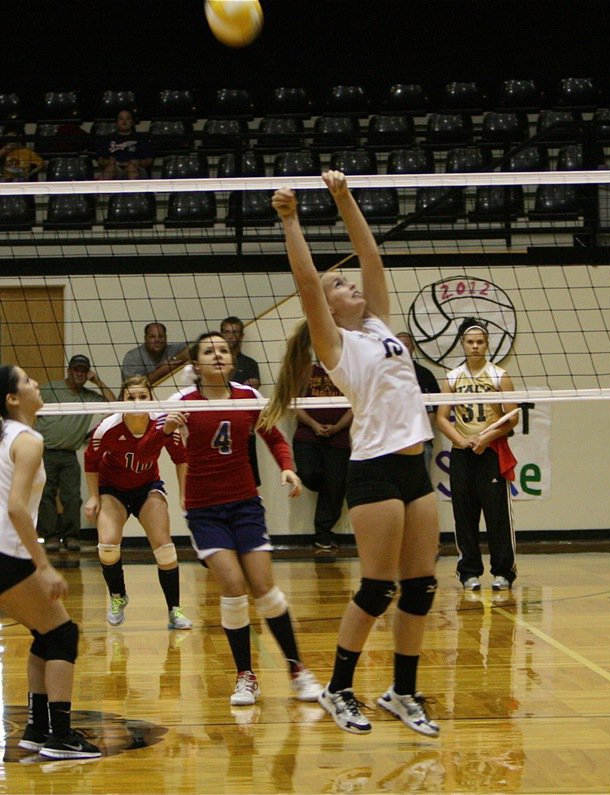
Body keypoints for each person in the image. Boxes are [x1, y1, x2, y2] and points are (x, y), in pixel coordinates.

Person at [263, 171, 442, 738]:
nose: (350, 287)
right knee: (377, 587)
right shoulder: (336, 343)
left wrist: (344, 199)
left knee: (420, 588)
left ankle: (402, 692)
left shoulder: (381, 325)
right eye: (341, 286)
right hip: (374, 470)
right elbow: (307, 282)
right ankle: (340, 688)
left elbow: (372, 256)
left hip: (414, 466)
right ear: (329, 307)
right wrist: (291, 220)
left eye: (349, 283)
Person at [166, 331, 321, 708]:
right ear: (196, 365)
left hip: (245, 503)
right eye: (209, 351)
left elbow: (274, 437)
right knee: (234, 586)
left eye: (223, 349)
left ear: (232, 359)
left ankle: (298, 670)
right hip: (204, 509)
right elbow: (157, 440)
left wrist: (287, 468)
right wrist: (166, 428)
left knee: (265, 589)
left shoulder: (248, 397)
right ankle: (245, 676)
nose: (218, 355)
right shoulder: (181, 402)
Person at [0, 364, 100, 759]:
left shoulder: (1, 435)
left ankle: (38, 730)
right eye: (27, 380)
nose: (37, 383)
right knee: (64, 635)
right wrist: (44, 564)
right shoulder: (28, 440)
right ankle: (61, 735)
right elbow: (17, 509)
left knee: (47, 633)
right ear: (12, 399)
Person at [83, 375, 193, 631]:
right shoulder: (107, 428)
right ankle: (118, 596)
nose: (137, 402)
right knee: (108, 545)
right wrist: (93, 496)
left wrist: (183, 494)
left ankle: (174, 611)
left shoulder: (164, 425)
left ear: (151, 399)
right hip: (113, 490)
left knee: (164, 547)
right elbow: (90, 462)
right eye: (131, 397)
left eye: (143, 397)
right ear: (122, 400)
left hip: (147, 488)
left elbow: (180, 458)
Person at [435, 322, 519, 592]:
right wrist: (461, 441)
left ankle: (503, 572)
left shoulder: (499, 376)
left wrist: (486, 438)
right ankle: (468, 572)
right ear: (462, 343)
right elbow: (441, 417)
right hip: (462, 454)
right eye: (470, 342)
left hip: (490, 452)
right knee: (464, 514)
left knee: (497, 516)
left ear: (487, 344)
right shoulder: (452, 377)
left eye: (479, 342)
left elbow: (512, 416)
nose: (474, 346)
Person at [35, 354, 114, 554]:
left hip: (69, 455)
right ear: (69, 371)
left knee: (72, 497)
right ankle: (51, 536)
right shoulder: (51, 389)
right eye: (76, 369)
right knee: (45, 496)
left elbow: (114, 405)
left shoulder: (88, 396)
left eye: (83, 370)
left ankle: (71, 536)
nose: (79, 373)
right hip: (46, 452)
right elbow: (28, 404)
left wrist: (97, 380)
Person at [289, 351, 352, 550]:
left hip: (338, 438)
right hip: (308, 436)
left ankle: (323, 534)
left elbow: (354, 405)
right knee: (309, 473)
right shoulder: (306, 371)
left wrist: (337, 427)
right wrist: (314, 425)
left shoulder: (346, 372)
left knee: (335, 486)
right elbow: (294, 404)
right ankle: (323, 528)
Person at [221, 316, 262, 486]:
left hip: (244, 426)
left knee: (248, 479)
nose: (231, 337)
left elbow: (252, 388)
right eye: (228, 333)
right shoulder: (215, 363)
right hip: (219, 425)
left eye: (235, 332)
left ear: (242, 336)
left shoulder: (249, 363)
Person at [395, 332, 440, 472]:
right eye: (398, 346)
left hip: (421, 442)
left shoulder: (425, 375)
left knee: (420, 488)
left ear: (413, 348)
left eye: (406, 345)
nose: (402, 349)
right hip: (393, 443)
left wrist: (421, 436)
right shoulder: (384, 374)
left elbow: (434, 410)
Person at [121, 322, 187, 385]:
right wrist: (163, 369)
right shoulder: (133, 357)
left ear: (166, 338)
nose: (157, 340)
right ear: (145, 338)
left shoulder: (173, 350)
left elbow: (194, 347)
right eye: (152, 337)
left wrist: (173, 360)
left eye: (161, 336)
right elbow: (135, 386)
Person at [95, 109, 153, 181]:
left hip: (136, 169)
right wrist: (108, 162)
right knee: (110, 168)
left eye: (128, 119)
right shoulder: (108, 139)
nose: (124, 121)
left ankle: (134, 192)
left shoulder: (141, 139)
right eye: (121, 119)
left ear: (132, 122)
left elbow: (149, 160)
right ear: (116, 122)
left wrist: (139, 162)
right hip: (115, 168)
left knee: (131, 168)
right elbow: (100, 160)